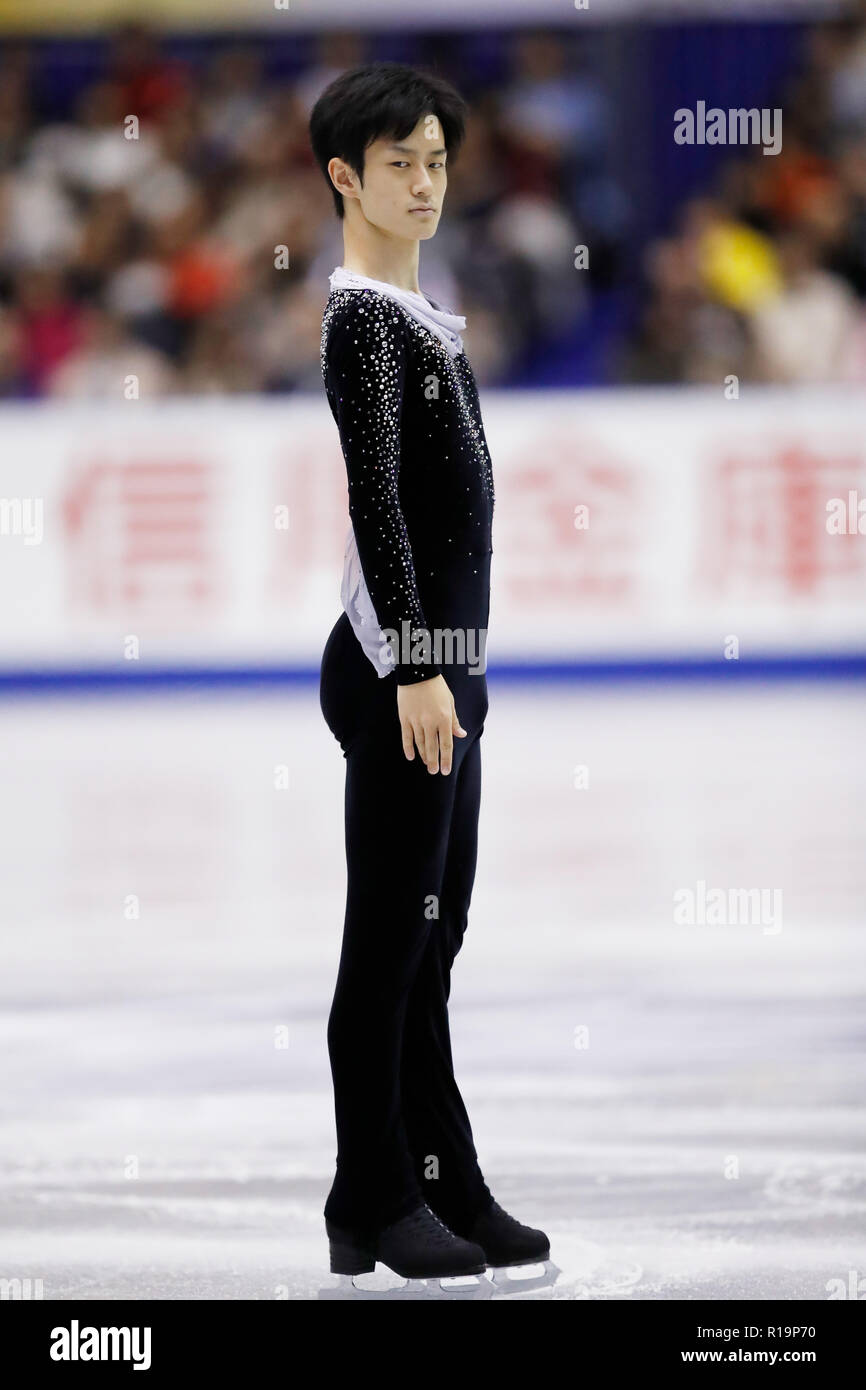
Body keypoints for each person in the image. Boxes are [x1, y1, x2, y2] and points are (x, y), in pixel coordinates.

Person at [309, 62, 550, 1286]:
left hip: (444, 677)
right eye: (397, 161)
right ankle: (370, 1196)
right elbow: (382, 507)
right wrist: (412, 665)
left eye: (437, 160)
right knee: (388, 948)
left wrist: (449, 672)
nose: (422, 181)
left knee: (433, 941)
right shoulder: (360, 319)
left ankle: (442, 1181)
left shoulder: (422, 319)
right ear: (345, 176)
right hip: (402, 675)